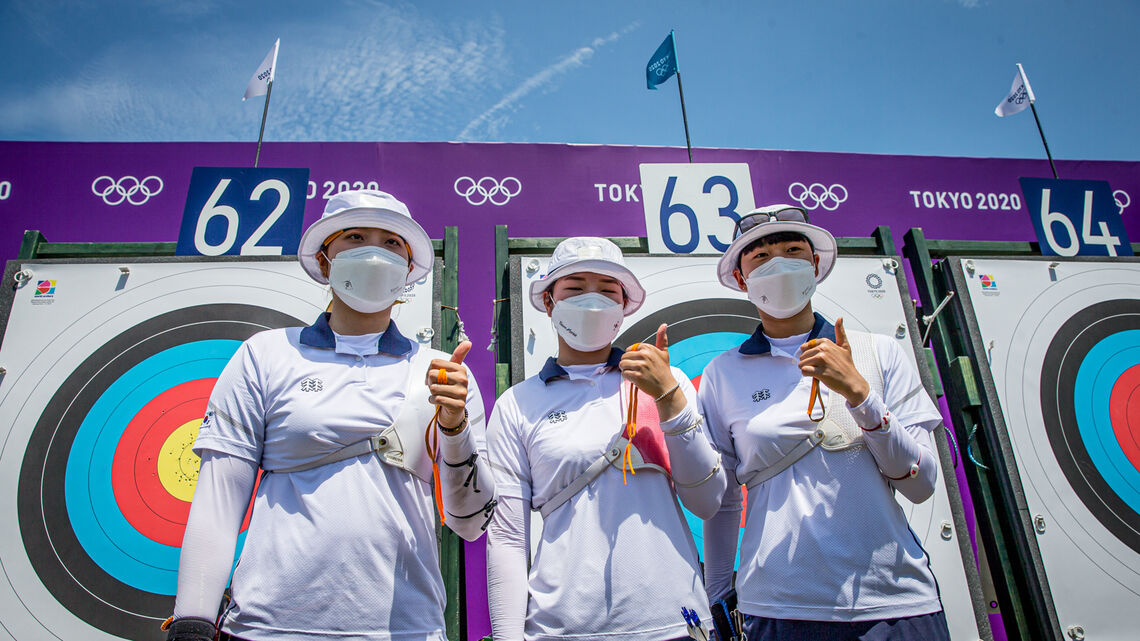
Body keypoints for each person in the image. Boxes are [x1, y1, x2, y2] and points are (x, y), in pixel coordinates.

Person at [164, 189, 495, 641]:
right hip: (266, 628)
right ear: (324, 259)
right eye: (356, 237)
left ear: (409, 269)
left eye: (392, 242)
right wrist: (194, 621)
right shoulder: (265, 354)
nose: (375, 253)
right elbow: (219, 501)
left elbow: (471, 522)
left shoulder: (442, 370)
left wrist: (454, 429)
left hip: (406, 630)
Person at [700, 205, 950, 641]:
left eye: (793, 250)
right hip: (777, 607)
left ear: (815, 266)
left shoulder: (878, 353)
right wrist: (718, 596)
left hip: (894, 604)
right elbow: (723, 502)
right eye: (760, 256)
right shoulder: (723, 373)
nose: (778, 262)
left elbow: (921, 485)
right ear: (741, 279)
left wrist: (861, 396)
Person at [485, 236, 726, 641]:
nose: (591, 300)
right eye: (575, 288)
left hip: (675, 625)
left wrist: (669, 397)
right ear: (548, 303)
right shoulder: (517, 404)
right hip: (562, 628)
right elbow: (508, 536)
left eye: (607, 290)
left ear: (624, 306)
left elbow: (707, 501)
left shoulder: (667, 382)